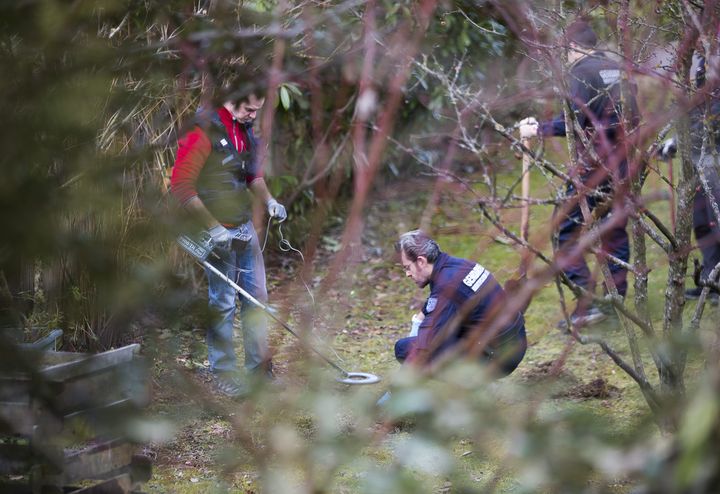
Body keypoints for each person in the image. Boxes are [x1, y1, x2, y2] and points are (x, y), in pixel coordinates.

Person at [518, 19, 640, 328]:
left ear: (572, 47)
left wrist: (537, 129)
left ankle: (587, 305)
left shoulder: (581, 72)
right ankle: (615, 306)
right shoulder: (615, 68)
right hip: (624, 163)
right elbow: (636, 117)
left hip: (596, 167)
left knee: (565, 231)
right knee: (613, 231)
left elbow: (572, 121)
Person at [171, 89, 287, 397]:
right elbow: (181, 186)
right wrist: (213, 228)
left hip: (243, 226)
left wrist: (271, 200)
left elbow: (253, 176)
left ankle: (260, 370)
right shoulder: (202, 130)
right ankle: (223, 373)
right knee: (222, 303)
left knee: (257, 298)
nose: (253, 116)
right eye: (249, 109)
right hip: (214, 231)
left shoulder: (245, 129)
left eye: (256, 111)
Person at [392, 230, 527, 375]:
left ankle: (470, 388)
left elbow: (426, 344)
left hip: (497, 358)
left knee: (403, 348)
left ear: (421, 261)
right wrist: (418, 321)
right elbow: (432, 307)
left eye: (407, 268)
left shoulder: (447, 286)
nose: (407, 274)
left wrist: (394, 391)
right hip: (514, 342)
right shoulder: (456, 266)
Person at [660, 51, 720, 304]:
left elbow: (712, 121)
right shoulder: (701, 73)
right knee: (703, 224)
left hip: (715, 163)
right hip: (698, 165)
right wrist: (675, 140)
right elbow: (695, 115)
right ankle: (712, 282)